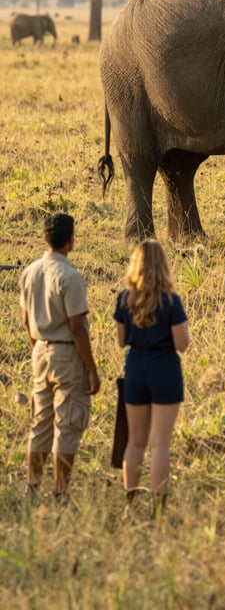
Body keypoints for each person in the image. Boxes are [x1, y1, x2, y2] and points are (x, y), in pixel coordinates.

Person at [19, 213, 100, 508]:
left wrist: (37, 348)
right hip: (66, 351)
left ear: (44, 238)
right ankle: (60, 494)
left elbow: (26, 320)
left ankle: (31, 487)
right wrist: (91, 368)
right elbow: (77, 327)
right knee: (67, 424)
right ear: (71, 240)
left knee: (40, 422)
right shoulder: (71, 277)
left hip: (39, 349)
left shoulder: (29, 272)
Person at [114, 239, 190, 517]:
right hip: (165, 369)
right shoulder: (171, 301)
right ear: (163, 266)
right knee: (160, 443)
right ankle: (158, 509)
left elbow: (122, 341)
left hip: (135, 368)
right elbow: (182, 344)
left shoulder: (124, 299)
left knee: (135, 441)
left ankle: (129, 505)